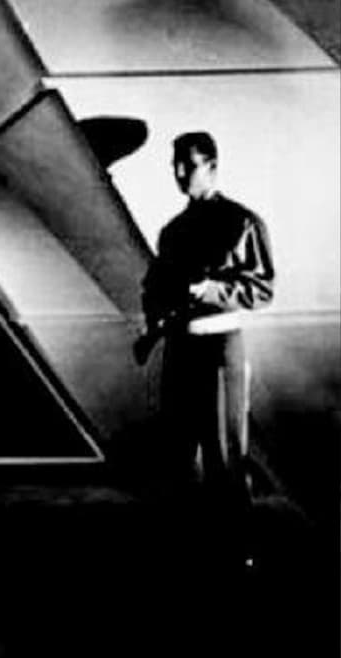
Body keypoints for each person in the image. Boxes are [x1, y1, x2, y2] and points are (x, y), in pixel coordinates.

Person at [140, 131, 274, 566]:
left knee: (224, 454)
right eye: (175, 165)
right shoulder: (173, 231)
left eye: (189, 165)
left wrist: (211, 288)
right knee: (177, 451)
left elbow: (262, 289)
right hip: (180, 349)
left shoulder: (242, 222)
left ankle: (239, 553)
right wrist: (153, 320)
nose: (180, 174)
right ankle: (189, 553)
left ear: (212, 166)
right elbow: (154, 287)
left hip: (220, 350)